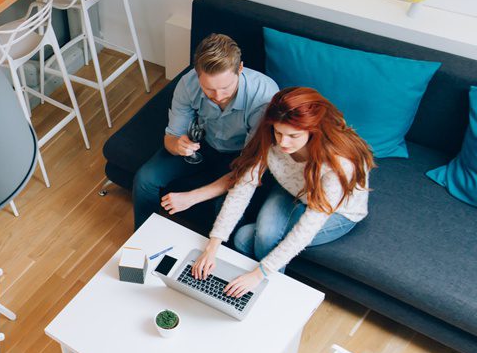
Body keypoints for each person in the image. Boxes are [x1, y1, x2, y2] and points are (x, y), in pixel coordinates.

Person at [189, 87, 374, 297]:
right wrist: (212, 247)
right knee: (244, 237)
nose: (283, 143)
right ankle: (246, 286)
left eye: (293, 135)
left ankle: (267, 293)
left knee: (246, 238)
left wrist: (258, 274)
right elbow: (242, 189)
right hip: (293, 190)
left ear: (314, 130)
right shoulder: (271, 138)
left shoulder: (339, 163)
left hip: (337, 210)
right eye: (279, 132)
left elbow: (308, 226)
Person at [132, 32, 278, 228]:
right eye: (208, 89)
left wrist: (191, 197)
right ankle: (143, 239)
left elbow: (248, 170)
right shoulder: (187, 83)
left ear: (240, 68)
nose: (218, 96)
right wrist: (177, 145)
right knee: (145, 179)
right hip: (202, 146)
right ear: (197, 74)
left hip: (240, 157)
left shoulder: (264, 98)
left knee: (226, 208)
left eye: (226, 87)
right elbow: (171, 138)